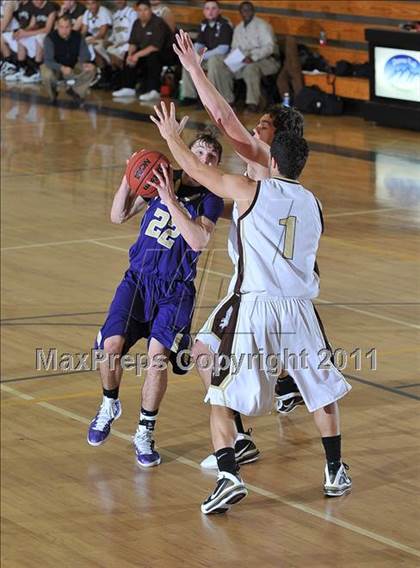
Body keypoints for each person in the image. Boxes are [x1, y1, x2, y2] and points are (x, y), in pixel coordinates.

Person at [151, 101, 352, 513]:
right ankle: (334, 470)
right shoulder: (314, 204)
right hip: (299, 310)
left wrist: (172, 137)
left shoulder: (251, 190)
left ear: (273, 160)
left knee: (221, 396)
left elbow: (200, 171)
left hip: (256, 307)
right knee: (321, 393)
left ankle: (229, 476)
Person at [173, 29, 305, 470]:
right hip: (257, 285)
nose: (255, 126)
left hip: (253, 290)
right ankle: (256, 416)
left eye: (264, 124)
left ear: (275, 137)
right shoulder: (273, 177)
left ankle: (241, 437)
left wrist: (194, 69)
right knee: (209, 356)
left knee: (211, 358)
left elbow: (224, 118)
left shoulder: (262, 156)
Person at [87, 128, 225, 470]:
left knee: (157, 358)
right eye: (200, 152)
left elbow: (197, 242)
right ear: (186, 152)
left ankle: (145, 431)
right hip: (138, 280)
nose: (205, 160)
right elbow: (118, 215)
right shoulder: (163, 176)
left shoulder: (211, 197)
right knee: (111, 346)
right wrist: (129, 174)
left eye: (212, 157)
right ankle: (109, 405)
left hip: (175, 290)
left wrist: (170, 199)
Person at [206, 1, 279, 112]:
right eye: (243, 10)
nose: (246, 12)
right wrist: (232, 59)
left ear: (253, 11)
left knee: (250, 68)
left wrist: (253, 57)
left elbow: (269, 47)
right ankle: (227, 101)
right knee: (219, 64)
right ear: (240, 12)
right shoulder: (238, 29)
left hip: (265, 60)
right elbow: (234, 48)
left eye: (248, 9)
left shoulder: (263, 25)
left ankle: (252, 103)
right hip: (242, 60)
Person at [112, 0, 173, 101]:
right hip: (146, 51)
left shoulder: (158, 23)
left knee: (153, 56)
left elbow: (155, 47)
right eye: (140, 10)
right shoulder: (136, 23)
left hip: (166, 53)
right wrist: (130, 55)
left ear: (150, 10)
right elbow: (133, 43)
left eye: (145, 10)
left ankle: (154, 90)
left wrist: (136, 56)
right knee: (128, 54)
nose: (142, 13)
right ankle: (128, 87)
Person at [180, 1, 232, 106]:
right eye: (207, 9)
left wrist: (202, 56)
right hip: (208, 57)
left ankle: (211, 98)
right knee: (189, 61)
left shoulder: (225, 24)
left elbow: (223, 49)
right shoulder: (204, 24)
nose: (210, 11)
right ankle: (190, 96)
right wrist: (193, 55)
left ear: (219, 11)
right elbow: (199, 43)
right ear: (204, 11)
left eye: (213, 8)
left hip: (223, 58)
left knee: (213, 62)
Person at [41, 14, 95, 104]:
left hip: (73, 67)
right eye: (61, 27)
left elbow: (85, 54)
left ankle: (76, 92)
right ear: (57, 27)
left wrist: (86, 63)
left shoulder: (78, 37)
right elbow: (48, 60)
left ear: (71, 27)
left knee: (91, 70)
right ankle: (53, 94)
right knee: (46, 73)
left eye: (67, 27)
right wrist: (61, 68)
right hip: (55, 67)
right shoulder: (49, 38)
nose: (64, 30)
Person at [6, 0, 57, 83]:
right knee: (20, 38)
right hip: (37, 33)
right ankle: (21, 68)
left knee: (39, 38)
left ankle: (37, 71)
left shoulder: (50, 7)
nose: (34, 2)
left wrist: (27, 33)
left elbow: (47, 29)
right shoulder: (35, 6)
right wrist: (21, 32)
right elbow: (32, 25)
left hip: (49, 36)